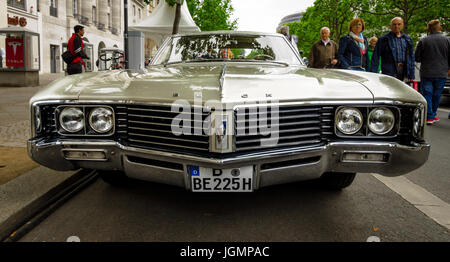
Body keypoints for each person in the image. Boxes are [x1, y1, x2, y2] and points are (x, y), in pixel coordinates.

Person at [415, 19, 450, 125]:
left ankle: (429, 116)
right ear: (439, 28)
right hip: (442, 72)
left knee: (427, 94)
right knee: (437, 94)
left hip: (427, 72)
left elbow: (417, 58)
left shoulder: (423, 41)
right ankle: (433, 114)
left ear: (428, 28)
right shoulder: (447, 40)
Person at [370, 17, 415, 82]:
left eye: (399, 24)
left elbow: (411, 57)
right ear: (390, 26)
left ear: (402, 25)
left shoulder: (407, 39)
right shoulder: (384, 39)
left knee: (402, 91)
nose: (396, 26)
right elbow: (375, 56)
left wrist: (411, 73)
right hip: (389, 70)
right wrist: (373, 73)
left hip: (404, 70)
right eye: (394, 24)